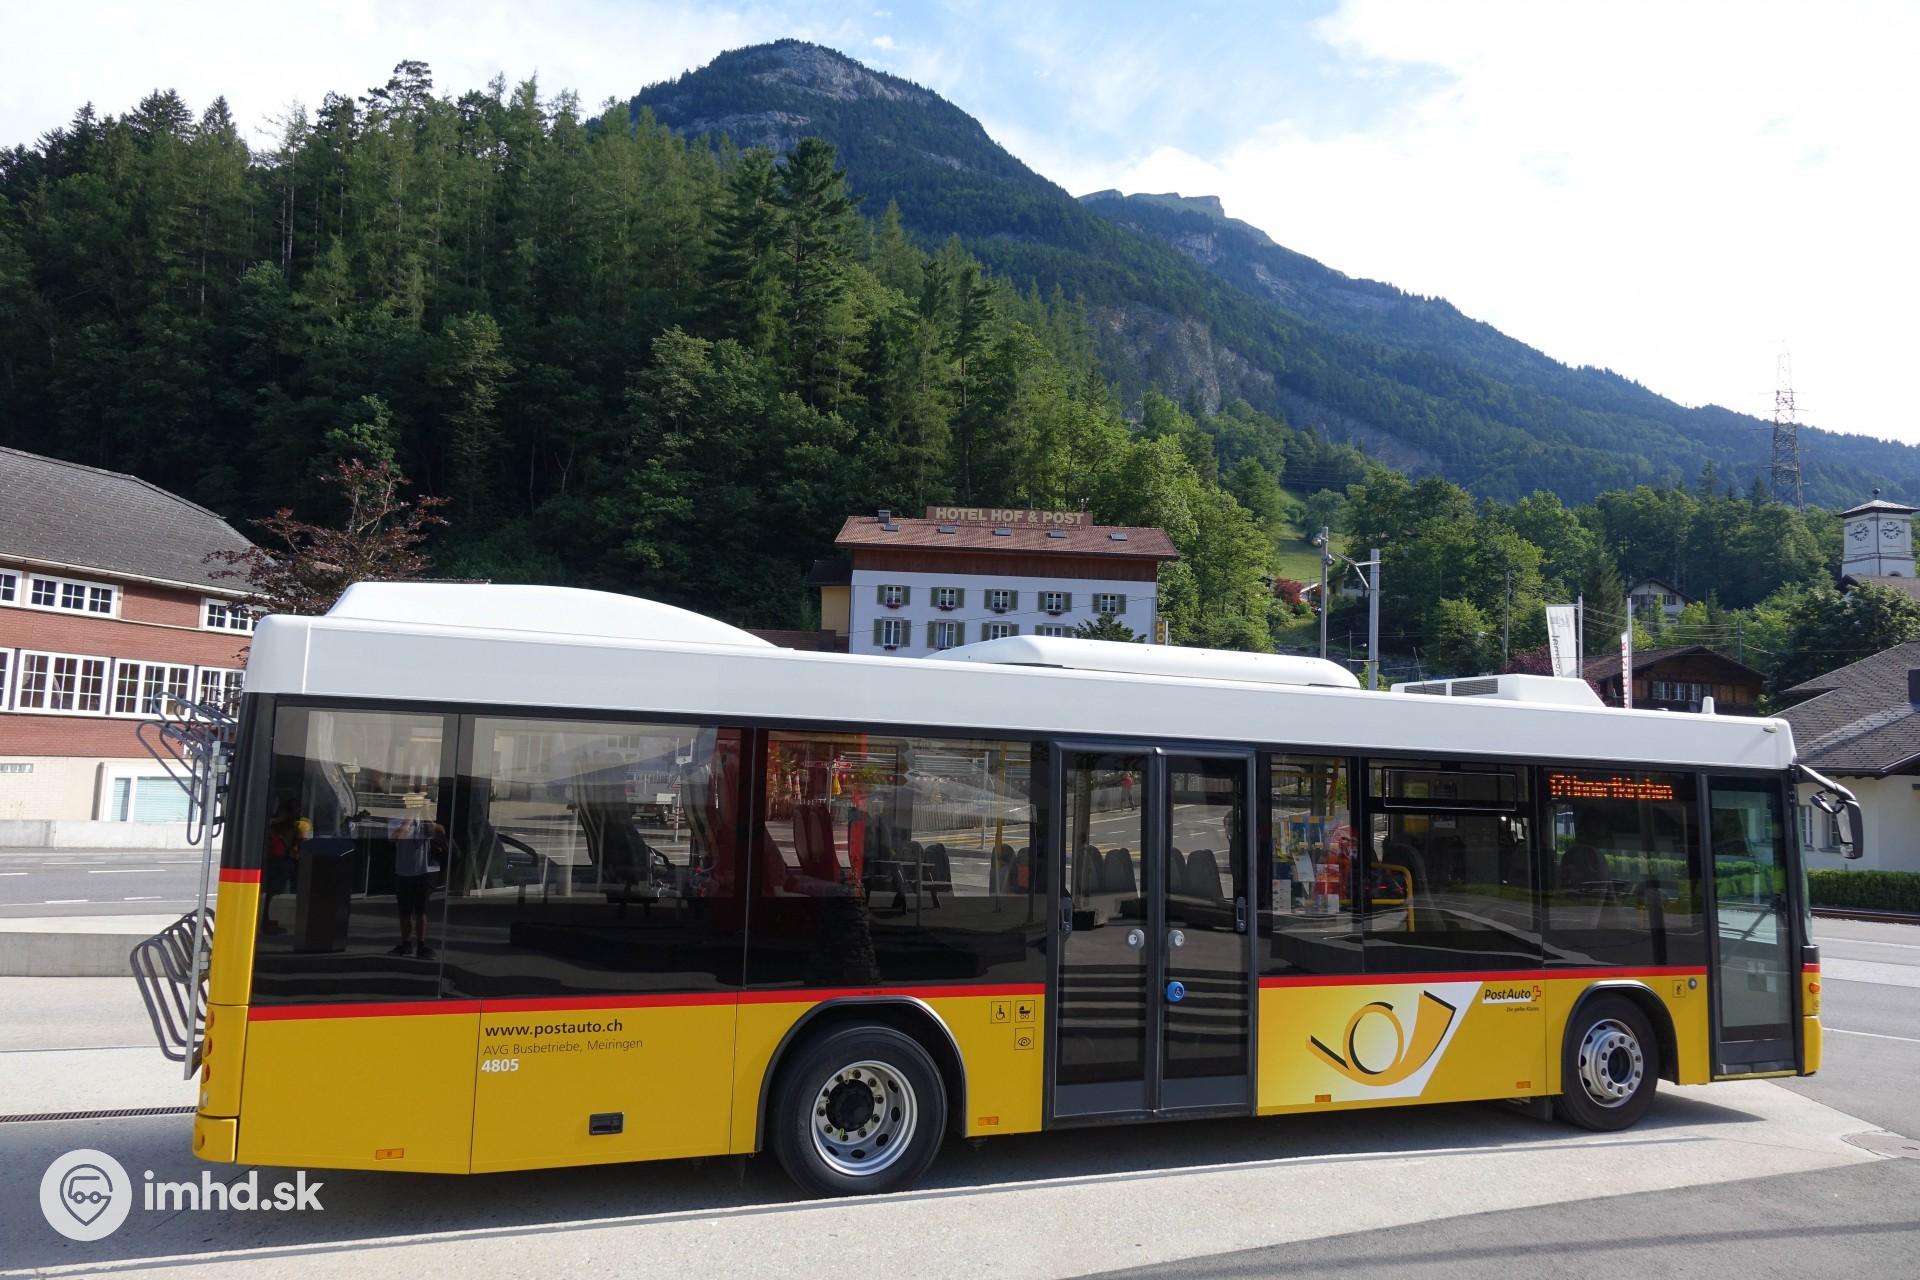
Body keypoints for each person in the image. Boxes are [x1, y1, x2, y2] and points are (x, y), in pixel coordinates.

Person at [387, 815, 446, 959]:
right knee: (405, 911)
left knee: (421, 910)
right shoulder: (398, 820)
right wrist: (406, 822)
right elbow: (395, 837)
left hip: (423, 871)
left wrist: (427, 818)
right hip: (403, 871)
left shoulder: (423, 820)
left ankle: (421, 944)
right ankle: (406, 943)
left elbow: (440, 832)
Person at [260, 809, 308, 935]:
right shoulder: (283, 828)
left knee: (271, 894)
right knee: (271, 893)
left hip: (279, 861)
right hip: (278, 862)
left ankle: (266, 920)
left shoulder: (282, 829)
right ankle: (266, 922)